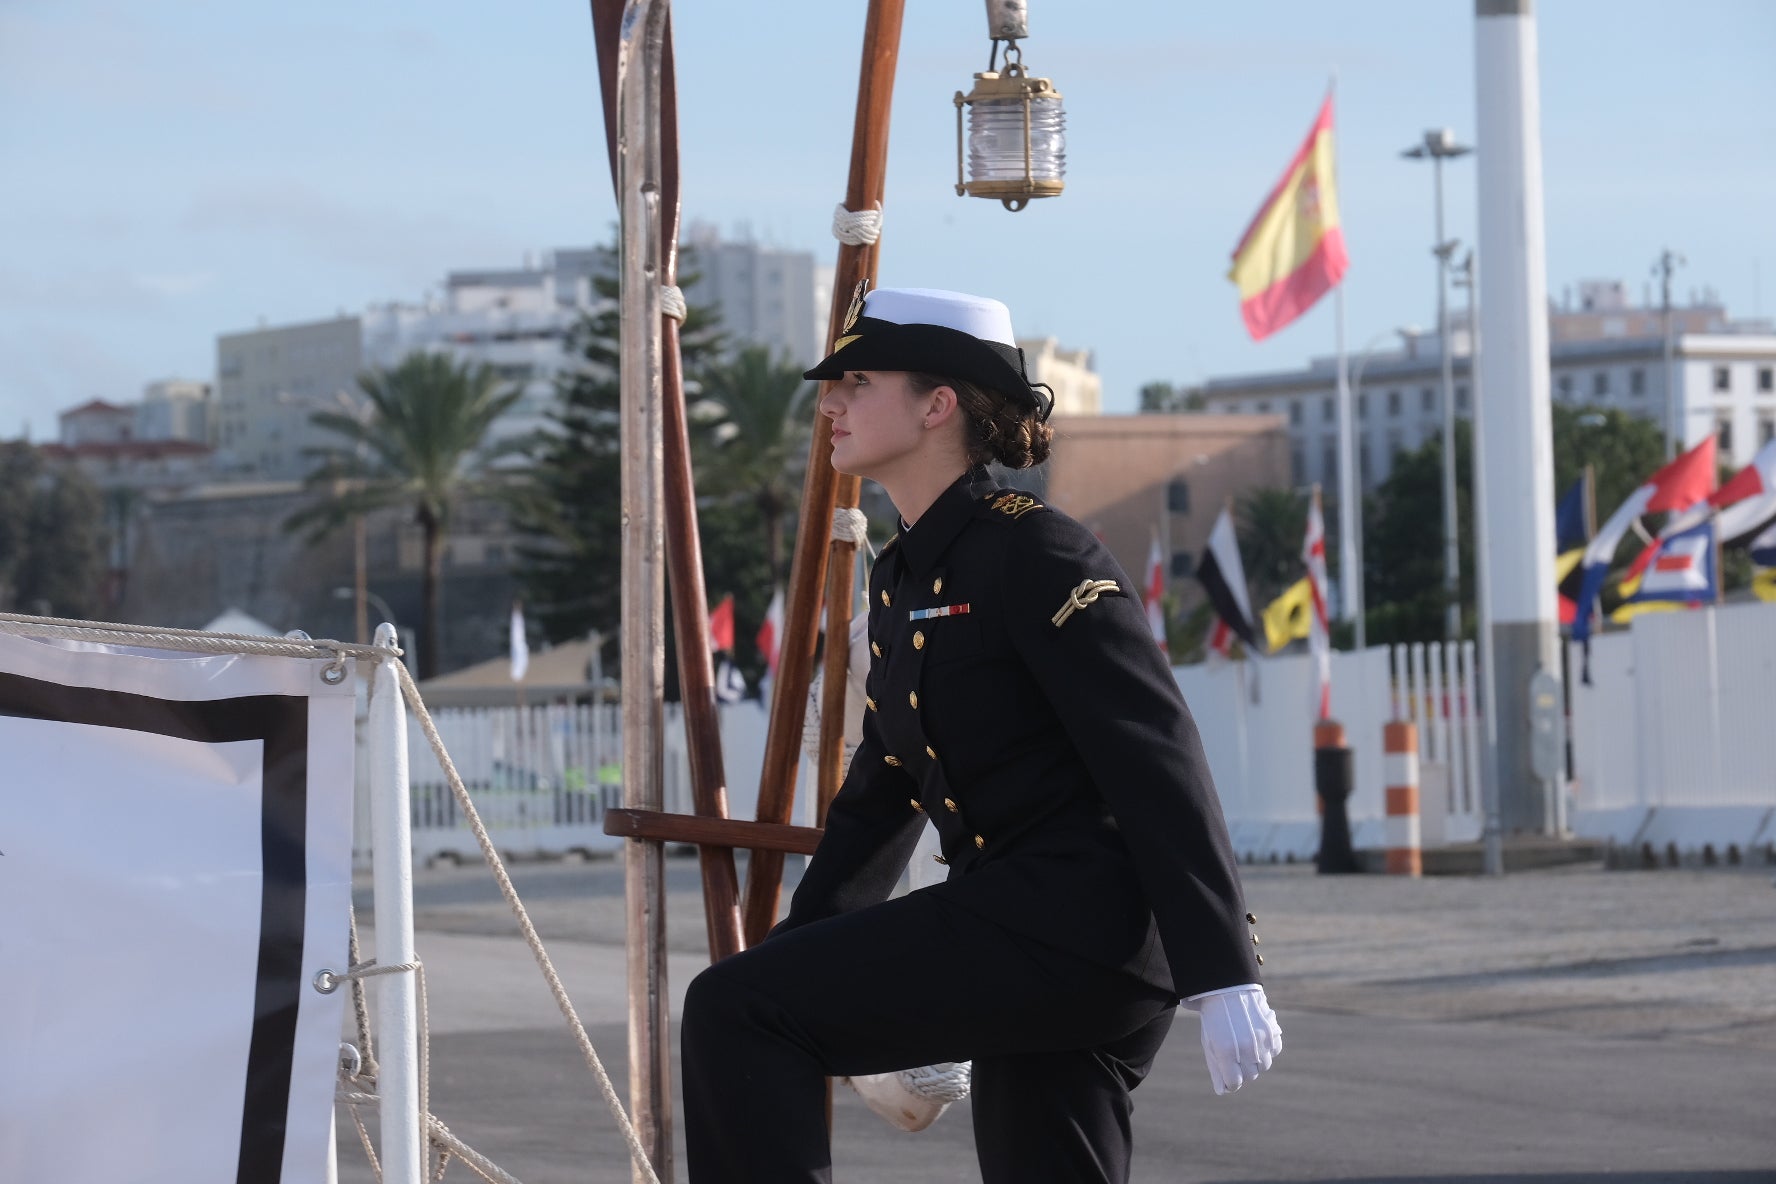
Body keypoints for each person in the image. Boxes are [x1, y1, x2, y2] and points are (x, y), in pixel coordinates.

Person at [680, 287, 1281, 1184]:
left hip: (1079, 929)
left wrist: (1224, 965)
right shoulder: (902, 578)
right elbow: (877, 801)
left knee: (735, 1011)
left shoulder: (1037, 553)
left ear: (938, 403)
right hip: (1036, 935)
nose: (830, 403)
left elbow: (1153, 752)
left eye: (857, 380)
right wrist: (797, 954)